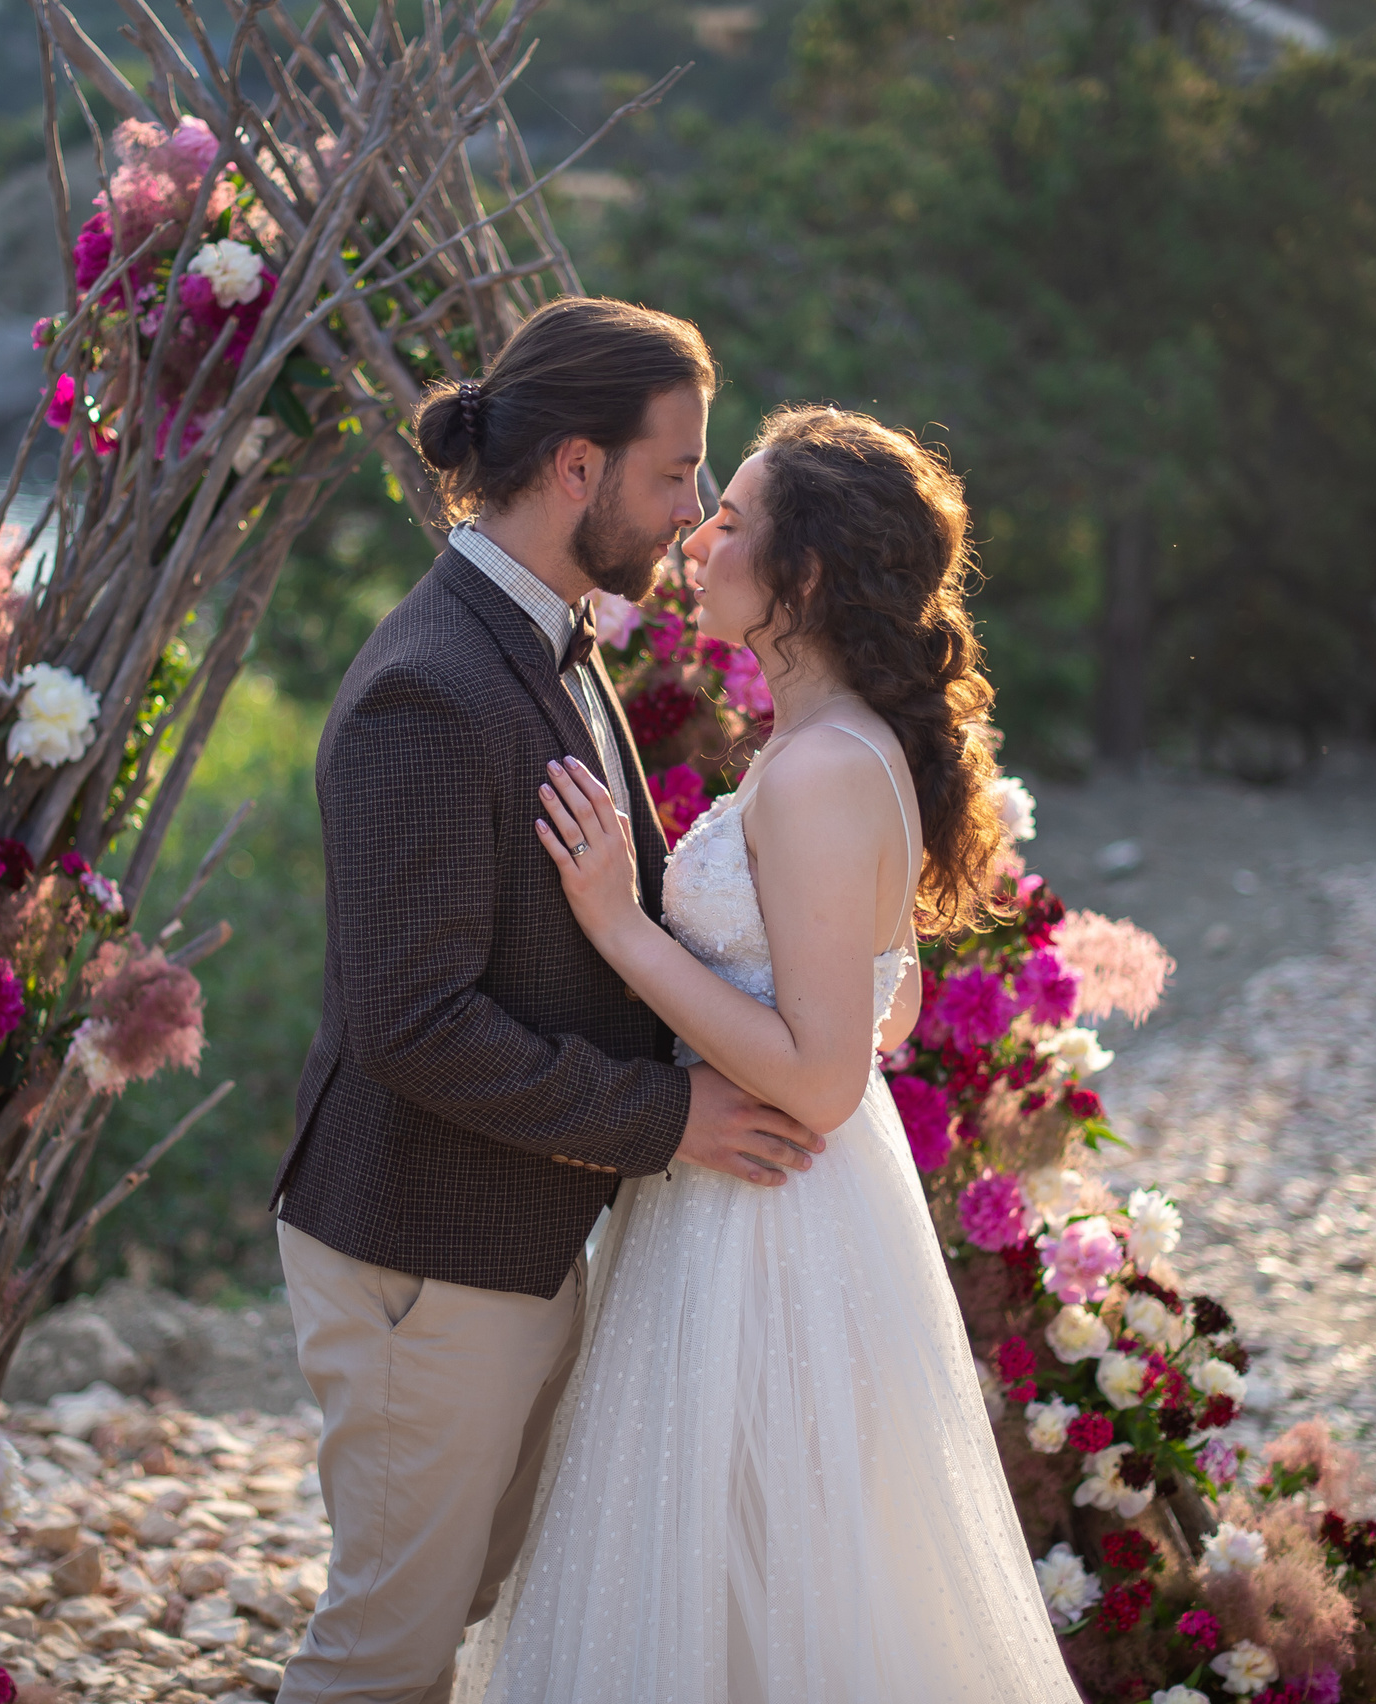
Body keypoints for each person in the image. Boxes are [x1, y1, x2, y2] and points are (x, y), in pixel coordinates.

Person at [466, 405, 1081, 1701]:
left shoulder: (815, 773)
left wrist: (619, 926)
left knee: (748, 1562)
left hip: (765, 1213)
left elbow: (822, 1075)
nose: (699, 533)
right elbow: (892, 1005)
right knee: (763, 1564)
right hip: (793, 1198)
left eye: (733, 519)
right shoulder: (842, 749)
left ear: (801, 573)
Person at [270, 297, 824, 1704]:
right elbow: (412, 1024)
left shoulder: (548, 638)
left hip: (507, 1238)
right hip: (419, 1253)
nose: (694, 512)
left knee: (469, 1596)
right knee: (384, 1650)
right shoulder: (434, 690)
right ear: (577, 467)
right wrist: (668, 1118)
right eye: (676, 472)